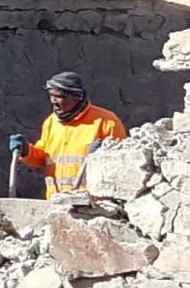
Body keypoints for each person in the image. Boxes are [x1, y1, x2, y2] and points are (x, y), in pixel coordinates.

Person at [12, 71, 127, 199]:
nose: (54, 101)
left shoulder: (106, 122)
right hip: (56, 201)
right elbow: (44, 157)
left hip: (92, 204)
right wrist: (26, 151)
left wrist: (101, 157)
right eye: (51, 95)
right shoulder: (52, 122)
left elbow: (122, 165)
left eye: (60, 97)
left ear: (77, 97)